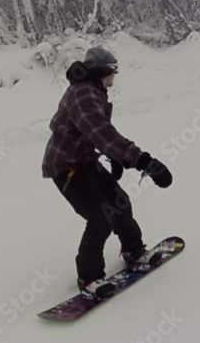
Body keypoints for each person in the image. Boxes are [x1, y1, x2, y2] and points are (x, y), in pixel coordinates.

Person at [42, 46, 173, 298]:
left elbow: (96, 133)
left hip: (85, 162)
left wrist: (114, 156)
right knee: (100, 216)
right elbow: (102, 132)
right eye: (114, 70)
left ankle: (133, 251)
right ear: (104, 71)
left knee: (119, 203)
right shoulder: (83, 95)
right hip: (66, 167)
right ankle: (89, 277)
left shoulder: (92, 90)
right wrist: (145, 161)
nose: (116, 75)